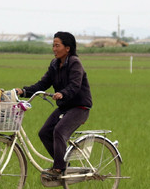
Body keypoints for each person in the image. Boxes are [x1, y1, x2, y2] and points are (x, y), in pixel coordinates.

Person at [16, 32, 93, 180]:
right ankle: (63, 165)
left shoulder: (75, 63)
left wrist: (63, 93)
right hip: (65, 107)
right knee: (44, 132)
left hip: (79, 107)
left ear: (67, 48)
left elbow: (75, 85)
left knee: (59, 131)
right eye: (53, 45)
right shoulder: (54, 64)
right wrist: (23, 91)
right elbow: (43, 84)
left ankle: (58, 168)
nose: (54, 49)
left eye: (57, 45)